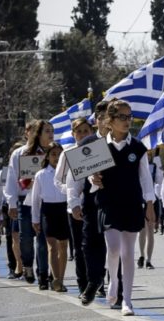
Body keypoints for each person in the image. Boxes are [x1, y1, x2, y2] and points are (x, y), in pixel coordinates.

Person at [91, 100, 156, 316]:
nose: (127, 121)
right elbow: (90, 180)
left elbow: (145, 179)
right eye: (122, 117)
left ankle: (127, 300)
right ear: (109, 121)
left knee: (128, 253)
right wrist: (94, 179)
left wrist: (149, 204)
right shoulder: (99, 148)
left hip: (132, 203)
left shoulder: (138, 148)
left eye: (129, 117)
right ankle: (112, 281)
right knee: (114, 248)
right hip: (108, 203)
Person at [66, 101, 112, 306]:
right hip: (92, 203)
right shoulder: (87, 144)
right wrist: (74, 202)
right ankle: (94, 279)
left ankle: (116, 288)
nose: (105, 121)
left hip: (116, 203)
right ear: (97, 121)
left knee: (116, 245)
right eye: (101, 117)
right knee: (90, 245)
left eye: (109, 116)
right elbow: (74, 179)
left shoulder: (121, 142)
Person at [5, 119, 53, 289]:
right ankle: (27, 266)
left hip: (45, 201)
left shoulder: (53, 152)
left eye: (51, 131)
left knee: (43, 239)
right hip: (25, 201)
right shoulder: (20, 153)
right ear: (38, 134)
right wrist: (11, 202)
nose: (51, 134)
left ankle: (43, 275)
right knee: (26, 239)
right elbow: (11, 178)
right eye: (47, 131)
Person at [53, 117, 94, 296]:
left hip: (96, 204)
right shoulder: (67, 153)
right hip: (75, 208)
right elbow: (58, 180)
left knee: (97, 245)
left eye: (86, 130)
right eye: (79, 131)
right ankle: (82, 283)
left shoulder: (99, 150)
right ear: (73, 134)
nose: (83, 134)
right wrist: (72, 193)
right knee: (79, 247)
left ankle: (96, 282)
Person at [31, 142, 69, 292]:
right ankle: (56, 279)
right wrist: (35, 219)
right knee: (52, 247)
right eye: (53, 154)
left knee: (63, 246)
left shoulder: (68, 172)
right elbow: (35, 199)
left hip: (64, 209)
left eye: (59, 154)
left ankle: (61, 277)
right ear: (47, 156)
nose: (57, 157)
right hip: (48, 210)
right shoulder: (41, 174)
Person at [0, 143, 24, 280]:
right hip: (9, 207)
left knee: (25, 238)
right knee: (12, 237)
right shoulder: (3, 172)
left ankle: (26, 265)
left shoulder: (29, 169)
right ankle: (14, 266)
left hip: (25, 204)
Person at [138, 150, 163, 269]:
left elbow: (159, 180)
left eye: (148, 154)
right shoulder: (135, 166)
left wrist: (158, 164)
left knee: (150, 231)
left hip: (151, 199)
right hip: (138, 199)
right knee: (142, 230)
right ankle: (142, 255)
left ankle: (149, 259)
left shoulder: (154, 166)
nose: (147, 156)